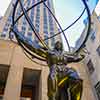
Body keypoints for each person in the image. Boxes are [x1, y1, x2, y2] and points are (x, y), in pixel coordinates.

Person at [19, 37, 84, 100]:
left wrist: (82, 54)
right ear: (55, 46)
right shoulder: (49, 53)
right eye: (57, 44)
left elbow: (76, 58)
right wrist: (20, 37)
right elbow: (35, 48)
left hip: (65, 73)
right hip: (55, 72)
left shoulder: (65, 55)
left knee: (76, 79)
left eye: (60, 44)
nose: (58, 45)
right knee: (53, 85)